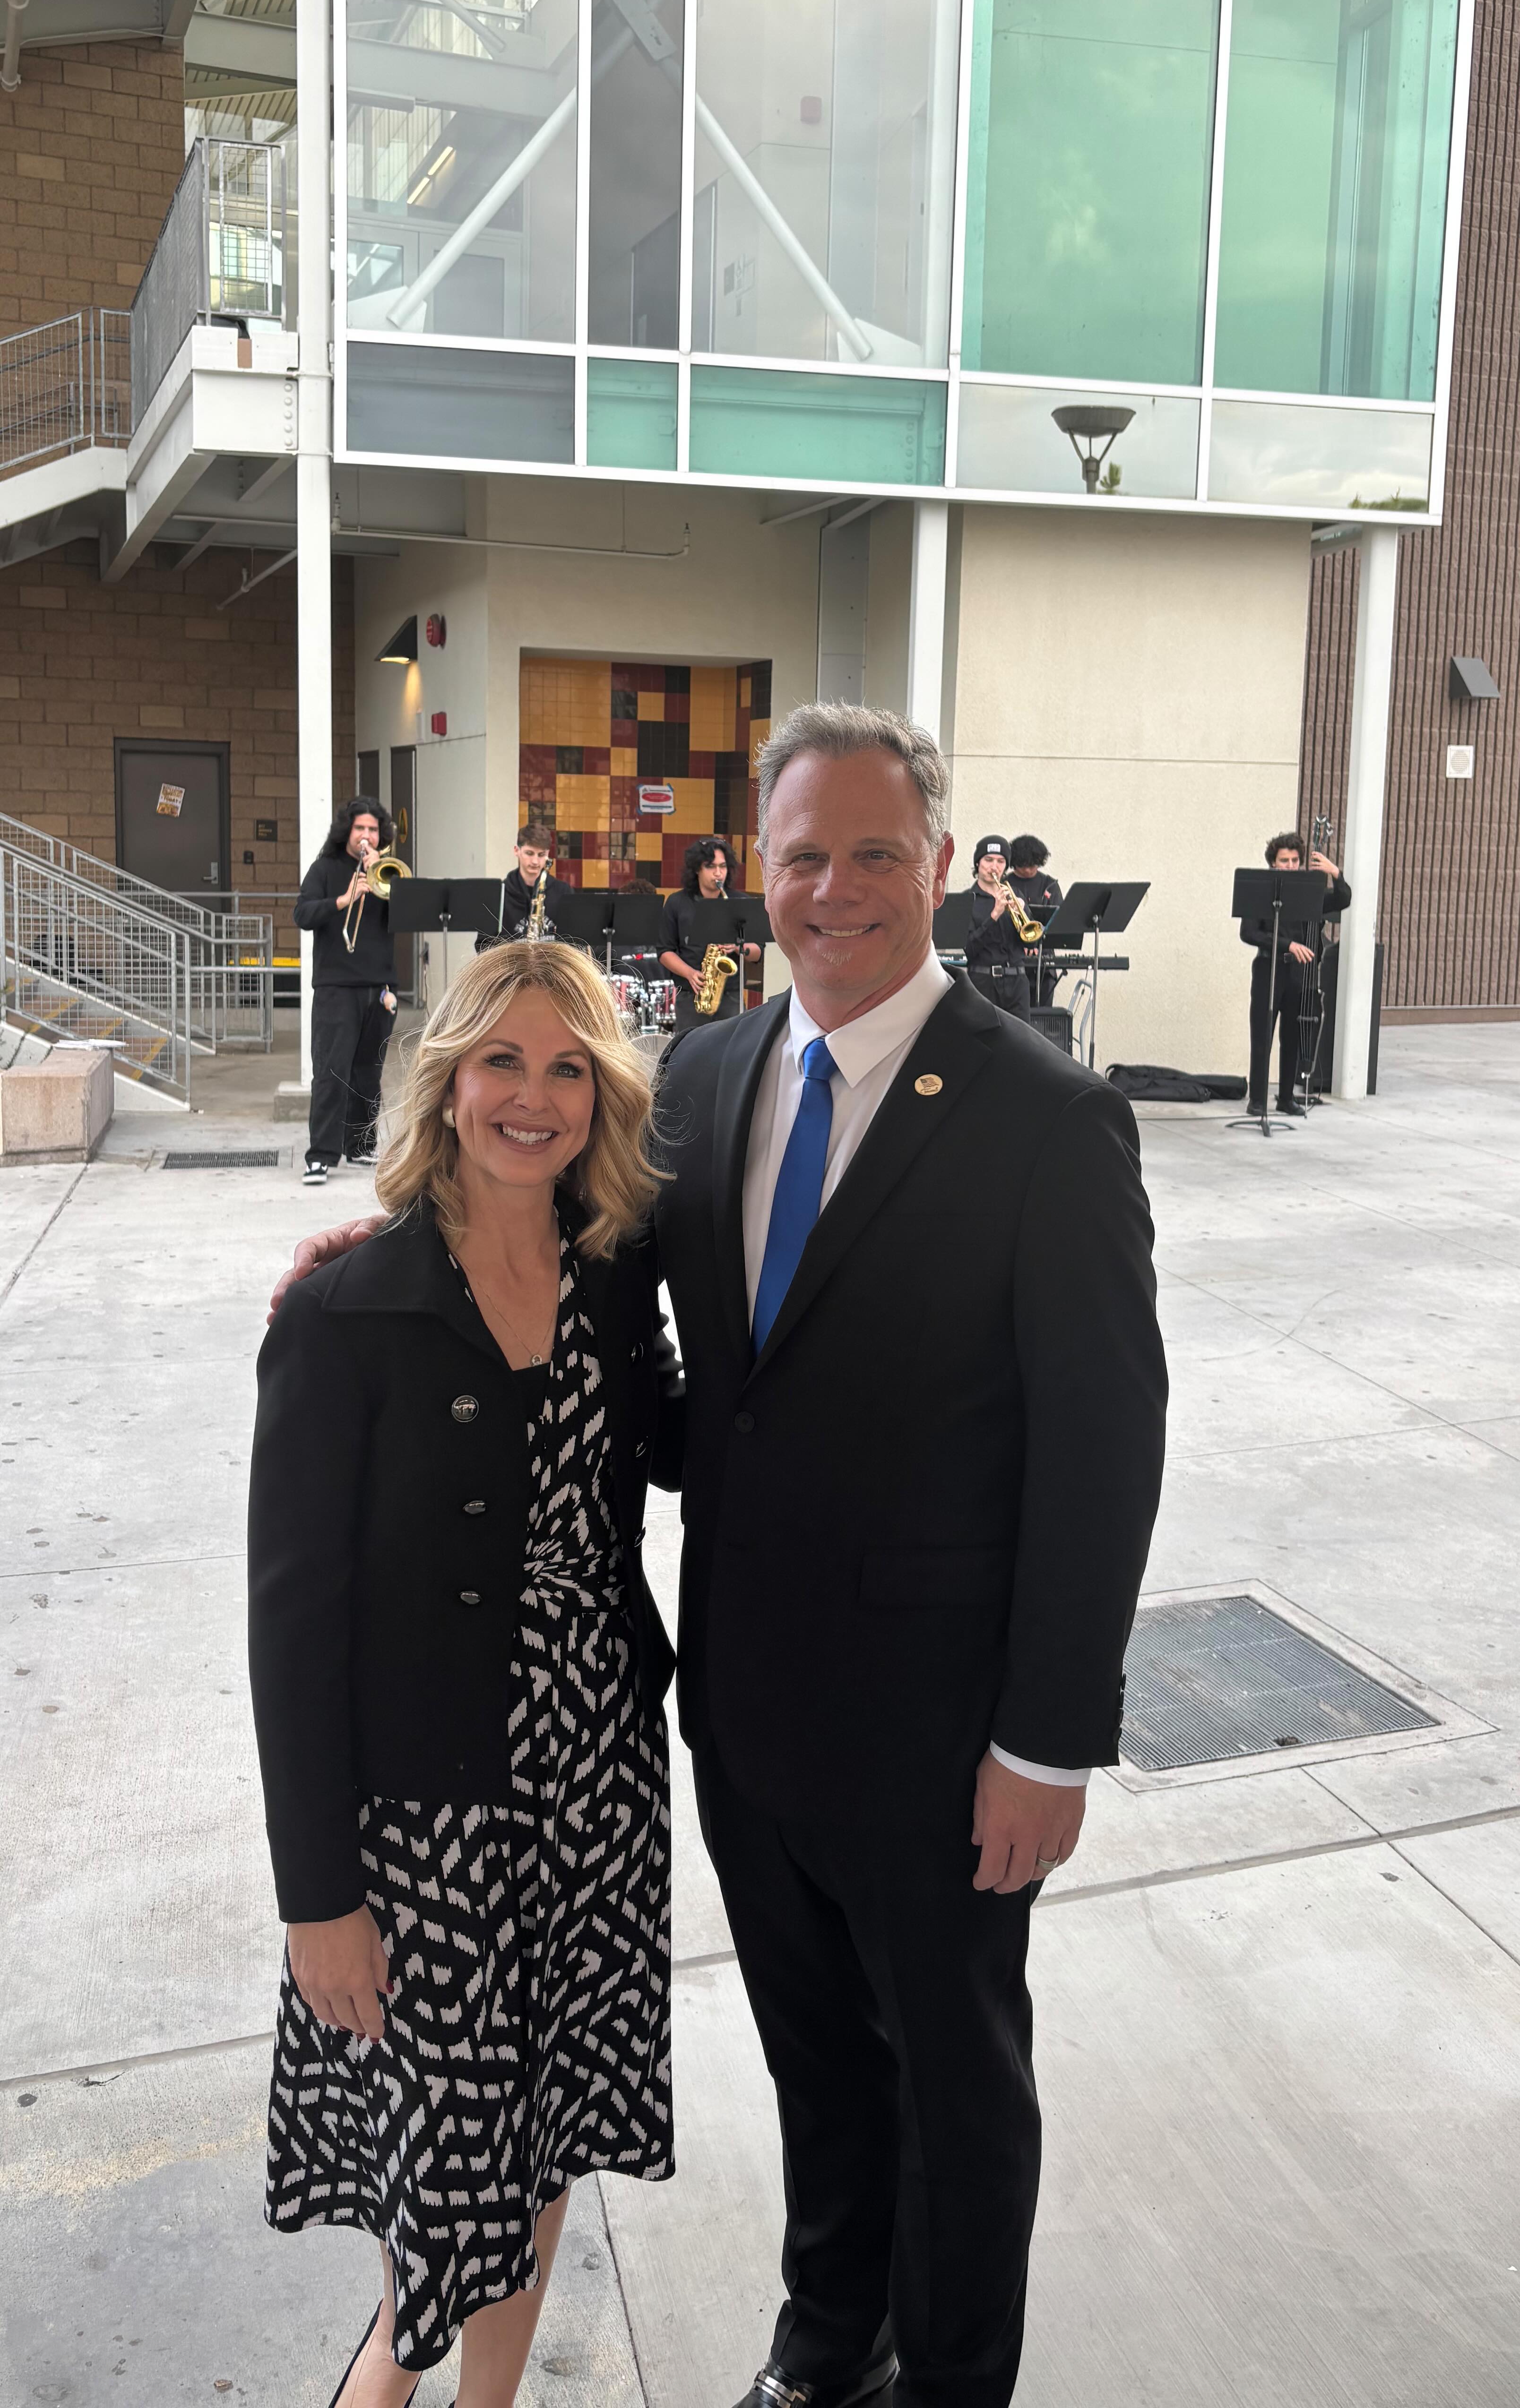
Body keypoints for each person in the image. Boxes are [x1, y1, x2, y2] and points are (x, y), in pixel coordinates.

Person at [276, 705, 1168, 2408]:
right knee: (820, 2072)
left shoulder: (1046, 1119)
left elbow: (1102, 1447)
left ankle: (951, 2378)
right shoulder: (705, 1074)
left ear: (937, 870)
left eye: (875, 853)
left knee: (955, 2094)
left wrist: (1047, 1738)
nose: (837, 890)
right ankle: (827, 2343)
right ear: (757, 877)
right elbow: (664, 1371)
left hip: (941, 1741)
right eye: (802, 857)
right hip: (745, 1721)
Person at [249, 940, 682, 2408]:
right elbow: (289, 1627)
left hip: (596, 1786)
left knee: (544, 2136)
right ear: (447, 1079)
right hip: (425, 1824)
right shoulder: (343, 1313)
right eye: (503, 1059)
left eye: (569, 1066)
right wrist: (318, 1895)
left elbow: (691, 1438)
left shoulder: (617, 1278)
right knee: (440, 2194)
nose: (534, 1096)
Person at [294, 796, 400, 1187]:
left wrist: (383, 880)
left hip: (380, 984)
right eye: (361, 829)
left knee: (369, 1072)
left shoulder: (389, 873)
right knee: (331, 1071)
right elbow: (303, 914)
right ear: (347, 832)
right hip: (337, 986)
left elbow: (408, 917)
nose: (367, 837)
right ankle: (321, 1155)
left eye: (373, 830)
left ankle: (360, 1145)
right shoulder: (325, 868)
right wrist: (344, 899)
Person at [1241, 830, 1350, 1117]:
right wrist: (1288, 944)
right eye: (1283, 861)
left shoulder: (1309, 893)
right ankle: (1258, 1100)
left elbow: (1343, 900)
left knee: (1292, 1034)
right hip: (1269, 968)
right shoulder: (1260, 890)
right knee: (1262, 1034)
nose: (1290, 866)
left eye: (1294, 861)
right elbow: (1249, 933)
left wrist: (1335, 873)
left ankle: (1286, 1098)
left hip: (1300, 974)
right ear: (1273, 863)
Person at [658, 836, 760, 1038]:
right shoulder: (677, 903)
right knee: (690, 1054)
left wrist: (739, 947)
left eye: (723, 866)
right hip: (691, 995)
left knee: (733, 1054)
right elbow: (664, 951)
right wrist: (689, 973)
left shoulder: (740, 902)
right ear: (697, 869)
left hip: (731, 995)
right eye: (711, 867)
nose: (718, 873)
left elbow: (758, 953)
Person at [961, 833, 1032, 1023]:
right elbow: (968, 950)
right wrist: (995, 915)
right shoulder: (968, 900)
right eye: (989, 860)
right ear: (978, 864)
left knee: (1022, 1045)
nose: (995, 867)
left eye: (1001, 862)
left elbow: (1034, 941)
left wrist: (1024, 914)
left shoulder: (1015, 895)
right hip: (983, 983)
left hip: (1017, 982)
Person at [474, 823, 575, 951]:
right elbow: (483, 946)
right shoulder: (498, 894)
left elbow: (573, 943)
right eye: (529, 853)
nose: (535, 862)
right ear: (517, 851)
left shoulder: (563, 892)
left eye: (541, 855)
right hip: (511, 969)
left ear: (548, 854)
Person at [1005, 835, 1063, 1006]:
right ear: (1016, 863)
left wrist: (1037, 944)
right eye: (1026, 866)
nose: (1030, 870)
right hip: (1012, 963)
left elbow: (1057, 922)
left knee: (1042, 1020)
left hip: (1043, 966)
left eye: (1034, 865)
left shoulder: (1050, 885)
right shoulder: (1005, 884)